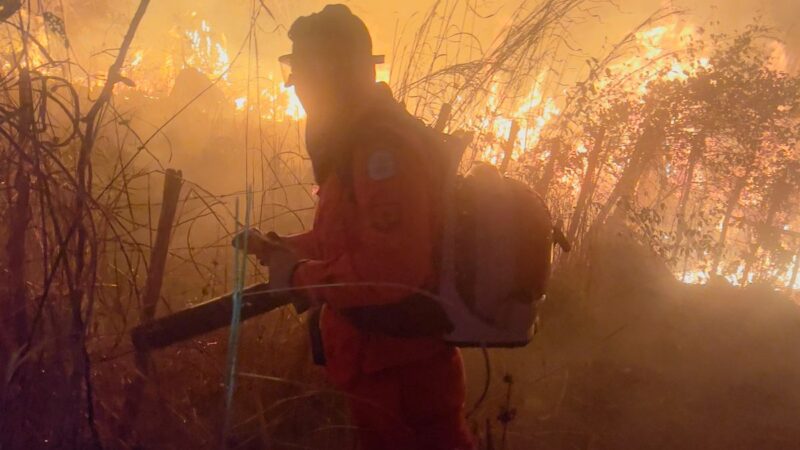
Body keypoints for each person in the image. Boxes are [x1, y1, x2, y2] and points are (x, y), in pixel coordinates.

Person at [240, 4, 473, 450]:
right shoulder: (356, 140)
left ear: (333, 74)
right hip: (381, 364)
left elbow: (389, 266)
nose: (298, 90)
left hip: (401, 370)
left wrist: (300, 277)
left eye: (304, 76)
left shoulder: (379, 150)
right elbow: (350, 236)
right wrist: (279, 249)